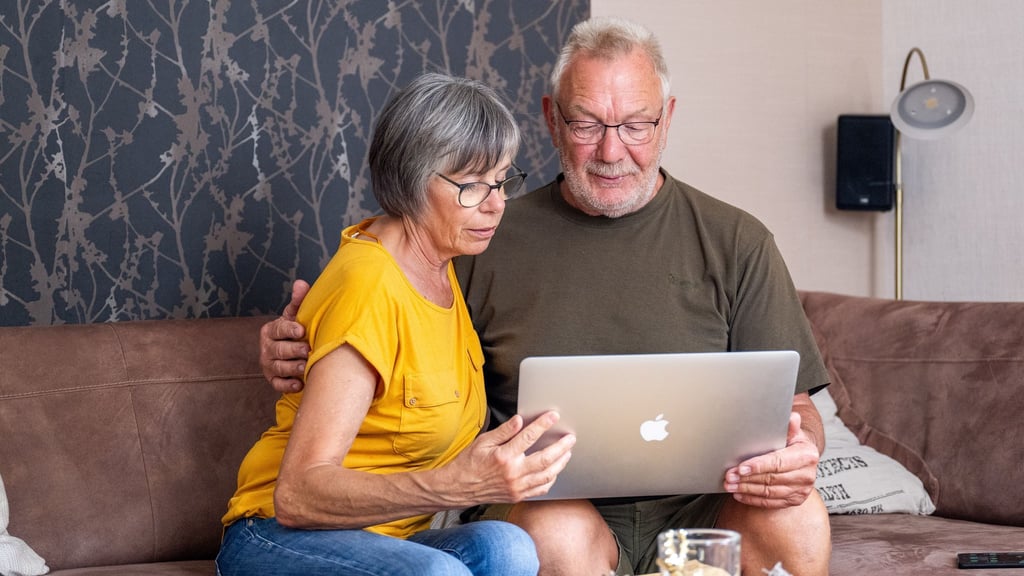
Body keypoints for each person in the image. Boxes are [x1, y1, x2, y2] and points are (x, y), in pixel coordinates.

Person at [259, 17, 832, 576]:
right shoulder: (479, 234)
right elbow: (386, 307)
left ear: (667, 120)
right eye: (586, 125)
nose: (611, 152)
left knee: (799, 515)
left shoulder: (737, 241)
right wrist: (299, 340)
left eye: (635, 125)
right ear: (551, 120)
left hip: (700, 514)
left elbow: (798, 410)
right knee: (555, 528)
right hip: (545, 507)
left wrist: (796, 450)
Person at [217, 72, 577, 576]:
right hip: (277, 537)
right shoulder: (368, 283)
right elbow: (298, 494)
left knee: (509, 547)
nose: (496, 203)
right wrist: (458, 484)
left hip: (387, 539)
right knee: (440, 574)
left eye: (500, 181)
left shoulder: (446, 265)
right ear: (412, 179)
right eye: (472, 185)